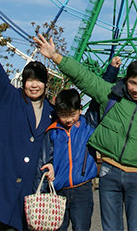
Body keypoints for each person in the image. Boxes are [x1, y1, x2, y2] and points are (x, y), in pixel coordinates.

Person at [34, 35, 137, 231]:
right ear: (125, 80)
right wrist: (56, 57)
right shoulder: (111, 94)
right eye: (132, 83)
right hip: (109, 171)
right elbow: (84, 77)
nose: (136, 89)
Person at [0, 26, 54, 230]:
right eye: (29, 80)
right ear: (23, 82)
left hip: (32, 189)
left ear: (45, 84)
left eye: (39, 81)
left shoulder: (52, 111)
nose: (34, 85)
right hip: (5, 183)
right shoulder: (8, 98)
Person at [36, 88, 97, 231]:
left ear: (80, 109)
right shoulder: (52, 131)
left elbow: (97, 94)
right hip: (58, 191)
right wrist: (40, 193)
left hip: (82, 188)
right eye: (63, 115)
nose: (69, 119)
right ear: (57, 112)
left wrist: (112, 68)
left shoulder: (87, 125)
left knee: (81, 228)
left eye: (72, 114)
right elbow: (44, 161)